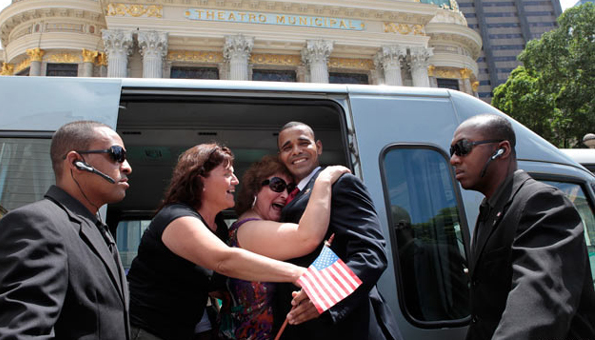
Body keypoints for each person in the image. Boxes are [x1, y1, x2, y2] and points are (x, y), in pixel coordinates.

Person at [127, 143, 307, 340]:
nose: (236, 181)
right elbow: (224, 260)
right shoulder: (176, 218)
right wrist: (298, 274)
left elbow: (213, 284)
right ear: (200, 180)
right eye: (227, 174)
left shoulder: (218, 228)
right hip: (146, 331)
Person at [449, 113, 595, 340]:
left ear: (502, 150)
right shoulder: (488, 210)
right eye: (452, 152)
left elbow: (538, 306)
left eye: (463, 148)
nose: (454, 159)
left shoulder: (542, 203)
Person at [0, 120, 133, 339]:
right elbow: (23, 333)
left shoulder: (96, 226)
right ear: (76, 162)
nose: (127, 167)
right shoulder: (37, 224)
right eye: (116, 154)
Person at [274, 121, 401, 340]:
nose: (296, 151)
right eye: (287, 147)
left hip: (347, 326)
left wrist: (323, 295)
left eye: (303, 143)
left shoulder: (340, 184)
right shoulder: (287, 198)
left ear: (319, 147)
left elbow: (371, 254)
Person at [223, 155, 349, 340]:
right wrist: (324, 178)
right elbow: (307, 238)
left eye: (290, 189)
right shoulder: (248, 229)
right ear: (254, 189)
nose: (284, 195)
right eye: (277, 185)